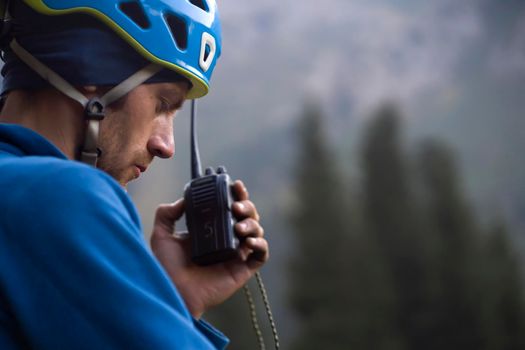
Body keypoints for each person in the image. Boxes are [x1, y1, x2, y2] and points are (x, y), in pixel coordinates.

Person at [0, 1, 268, 349]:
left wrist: (169, 303)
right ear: (91, 67)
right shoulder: (60, 196)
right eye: (162, 104)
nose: (166, 145)